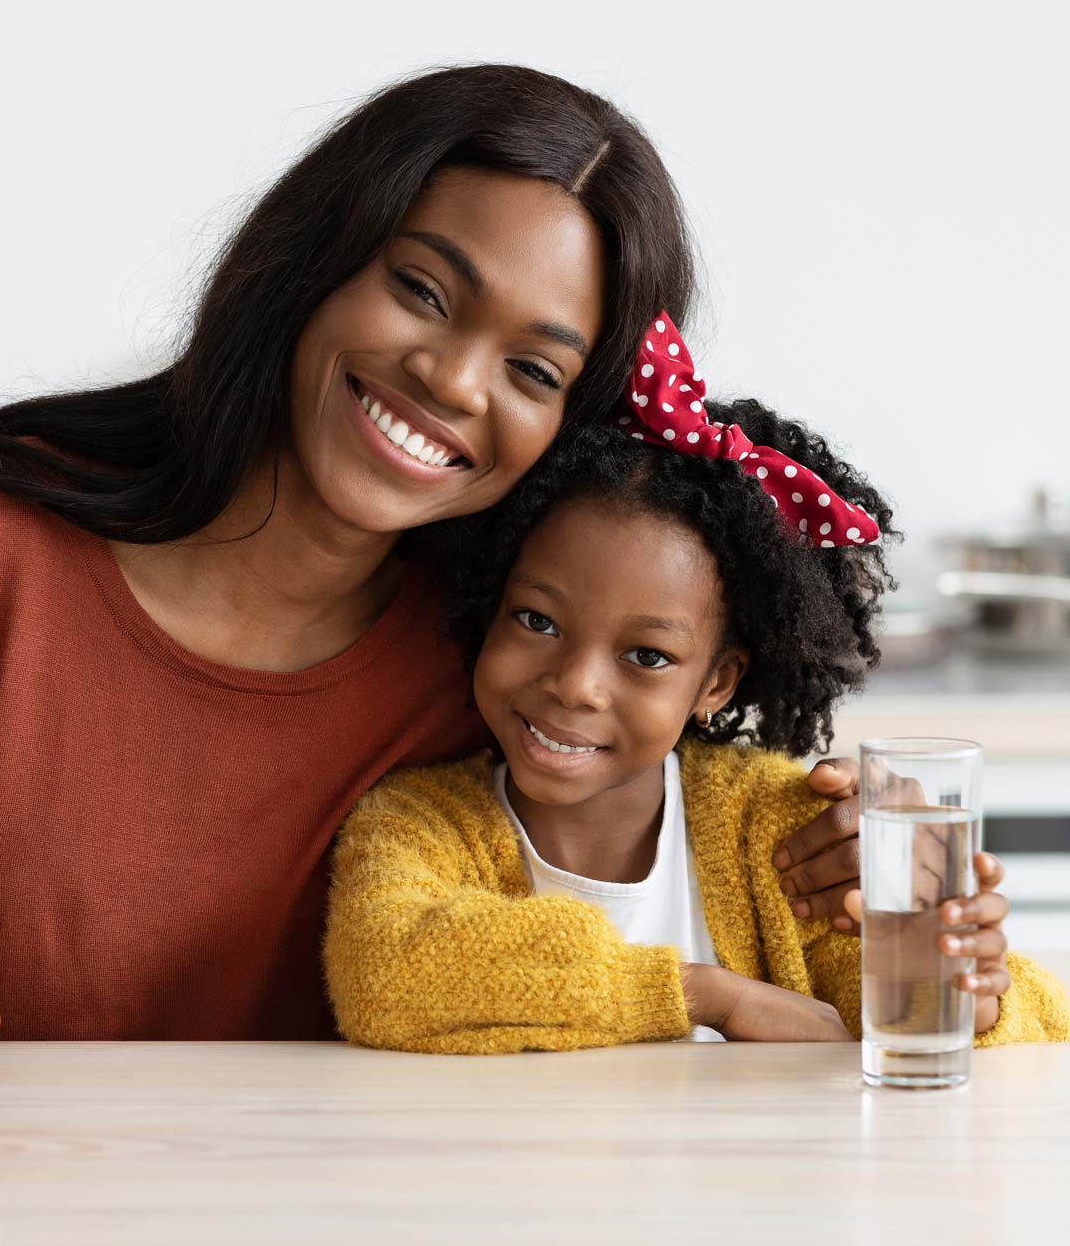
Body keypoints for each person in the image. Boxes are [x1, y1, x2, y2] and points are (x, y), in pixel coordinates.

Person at [0, 65, 862, 1149]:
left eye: (532, 370)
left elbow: (692, 869)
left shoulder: (497, 658)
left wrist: (860, 857)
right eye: (422, 291)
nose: (452, 379)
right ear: (314, 260)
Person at [324, 316, 1069, 1052]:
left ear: (716, 683)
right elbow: (387, 975)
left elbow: (1020, 1027)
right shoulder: (417, 823)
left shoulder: (782, 835)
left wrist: (962, 991)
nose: (576, 686)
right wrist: (710, 997)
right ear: (490, 605)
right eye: (537, 620)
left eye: (646, 656)